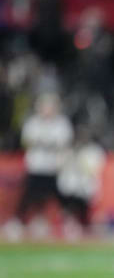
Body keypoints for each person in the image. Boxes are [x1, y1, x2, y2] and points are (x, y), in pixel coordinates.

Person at [3, 92, 73, 240]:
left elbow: (63, 143)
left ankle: (66, 223)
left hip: (53, 168)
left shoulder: (61, 123)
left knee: (58, 197)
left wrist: (45, 143)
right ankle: (17, 222)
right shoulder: (33, 123)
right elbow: (28, 141)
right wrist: (47, 143)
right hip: (36, 167)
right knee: (29, 197)